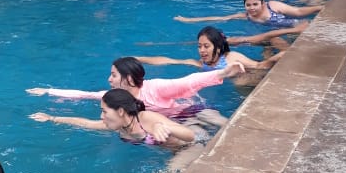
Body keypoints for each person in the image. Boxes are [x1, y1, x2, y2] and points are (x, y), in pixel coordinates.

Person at [30, 87, 224, 173]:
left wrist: (162, 127)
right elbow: (86, 123)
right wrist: (53, 118)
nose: (101, 116)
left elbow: (189, 136)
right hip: (174, 150)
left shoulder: (146, 118)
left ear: (121, 111)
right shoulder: (119, 126)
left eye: (105, 111)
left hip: (192, 144)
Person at [26, 56, 240, 127]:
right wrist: (48, 91)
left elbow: (187, 82)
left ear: (128, 79)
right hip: (172, 123)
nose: (109, 80)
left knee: (223, 125)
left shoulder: (155, 87)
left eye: (113, 75)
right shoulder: (117, 99)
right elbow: (83, 94)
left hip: (190, 111)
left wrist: (223, 73)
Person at [174, 0, 320, 48]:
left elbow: (298, 12)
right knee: (272, 41)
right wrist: (189, 20)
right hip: (280, 34)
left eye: (255, 4)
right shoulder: (245, 16)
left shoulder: (273, 6)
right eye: (248, 5)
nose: (252, 8)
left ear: (262, 3)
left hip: (298, 27)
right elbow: (219, 18)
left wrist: (319, 9)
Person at [137, 26, 281, 87]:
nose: (202, 50)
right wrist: (137, 59)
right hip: (233, 81)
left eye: (206, 46)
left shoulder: (231, 57)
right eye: (199, 46)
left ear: (217, 48)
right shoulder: (201, 65)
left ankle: (268, 49)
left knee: (240, 83)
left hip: (252, 74)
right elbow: (167, 60)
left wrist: (277, 57)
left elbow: (260, 66)